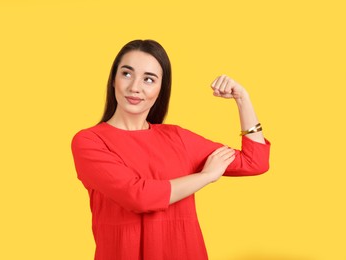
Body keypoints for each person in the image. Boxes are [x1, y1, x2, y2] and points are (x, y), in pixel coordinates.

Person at [71, 39, 270, 260]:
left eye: (149, 79)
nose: (135, 87)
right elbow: (138, 196)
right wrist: (206, 176)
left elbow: (255, 162)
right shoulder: (89, 141)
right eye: (127, 74)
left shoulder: (176, 137)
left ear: (160, 88)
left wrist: (243, 99)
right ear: (113, 80)